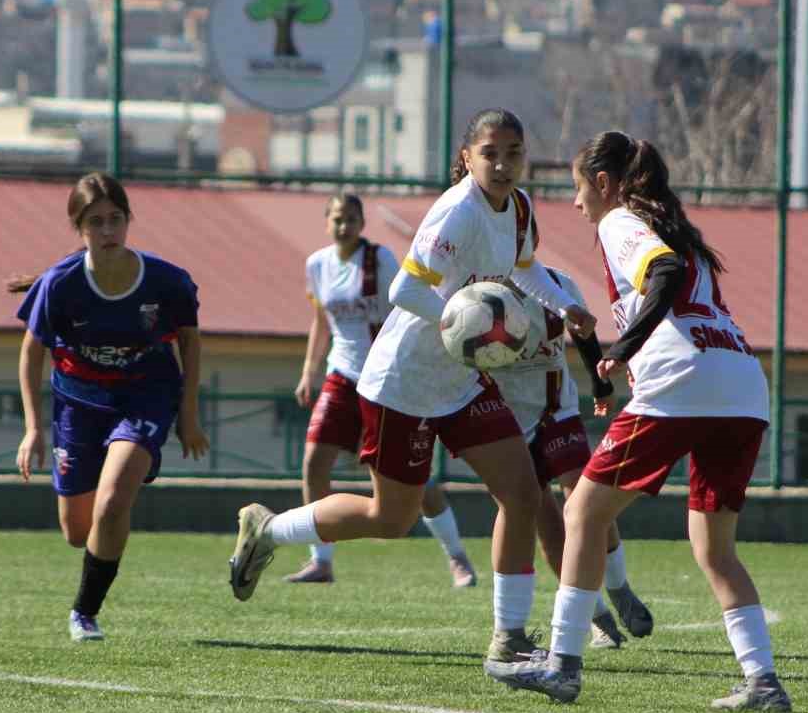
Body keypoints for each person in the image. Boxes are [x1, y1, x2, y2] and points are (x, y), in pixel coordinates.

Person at [228, 109, 597, 671]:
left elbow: (524, 268)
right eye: (490, 153)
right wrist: (464, 319)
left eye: (514, 153)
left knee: (522, 494)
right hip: (403, 382)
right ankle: (270, 528)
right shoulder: (457, 212)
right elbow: (404, 288)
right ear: (467, 158)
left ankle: (509, 638)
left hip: (462, 379)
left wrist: (565, 305)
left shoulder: (520, 208)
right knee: (390, 519)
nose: (502, 164)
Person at [486, 132, 789, 711]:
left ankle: (563, 665)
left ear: (604, 183)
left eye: (578, 188)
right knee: (715, 549)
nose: (577, 202)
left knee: (582, 512)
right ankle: (763, 681)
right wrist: (613, 372)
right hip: (743, 386)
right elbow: (678, 282)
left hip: (684, 382)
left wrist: (623, 350)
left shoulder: (619, 221)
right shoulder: (679, 228)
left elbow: (663, 273)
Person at [13, 172, 210, 642]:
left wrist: (188, 414)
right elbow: (31, 353)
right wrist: (33, 428)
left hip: (146, 395)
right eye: (95, 222)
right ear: (78, 228)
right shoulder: (60, 284)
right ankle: (100, 552)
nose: (107, 231)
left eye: (115, 219)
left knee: (113, 501)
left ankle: (84, 612)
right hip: (79, 402)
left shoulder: (166, 281)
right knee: (77, 532)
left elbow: (190, 341)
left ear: (128, 221)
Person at [288, 192, 477, 588]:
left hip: (385, 381)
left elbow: (408, 308)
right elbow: (321, 321)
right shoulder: (317, 264)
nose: (344, 226)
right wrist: (309, 370)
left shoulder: (381, 260)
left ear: (362, 223)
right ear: (326, 222)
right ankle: (321, 561)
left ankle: (457, 556)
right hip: (342, 375)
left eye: (351, 218)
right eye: (337, 218)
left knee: (413, 481)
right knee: (314, 462)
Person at [493, 262, 654, 649]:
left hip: (557, 410)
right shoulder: (478, 287)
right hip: (506, 422)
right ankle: (597, 617)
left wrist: (600, 387)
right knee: (544, 522)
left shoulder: (557, 283)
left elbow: (584, 334)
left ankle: (619, 588)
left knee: (584, 498)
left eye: (524, 235)